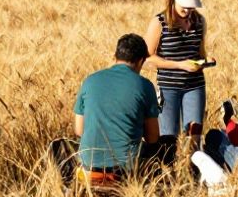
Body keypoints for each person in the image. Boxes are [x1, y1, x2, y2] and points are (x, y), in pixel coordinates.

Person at [61, 33, 167, 187]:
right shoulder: (145, 86)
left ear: (114, 57)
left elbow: (79, 130)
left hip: (87, 169)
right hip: (123, 173)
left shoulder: (90, 81)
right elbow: (152, 138)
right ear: (140, 61)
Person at [145, 0, 209, 146]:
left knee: (194, 137)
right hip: (168, 87)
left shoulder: (200, 22)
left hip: (195, 86)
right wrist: (180, 65)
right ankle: (170, 170)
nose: (188, 11)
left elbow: (199, 52)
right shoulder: (159, 23)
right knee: (168, 137)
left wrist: (205, 61)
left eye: (191, 6)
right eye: (184, 6)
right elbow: (148, 57)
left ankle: (191, 169)